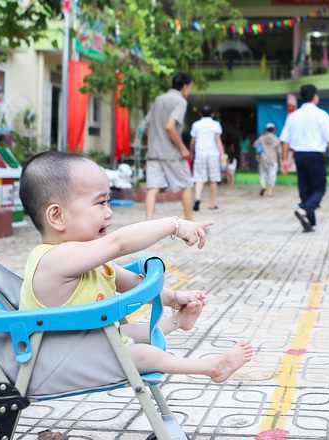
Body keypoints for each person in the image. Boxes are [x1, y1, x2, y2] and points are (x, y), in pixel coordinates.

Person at [18, 151, 253, 382]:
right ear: (57, 216)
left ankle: (178, 321)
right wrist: (174, 225)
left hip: (85, 348)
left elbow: (131, 284)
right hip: (59, 364)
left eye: (108, 201)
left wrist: (174, 298)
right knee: (143, 353)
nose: (109, 212)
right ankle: (212, 367)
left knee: (128, 333)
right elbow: (119, 243)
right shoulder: (53, 260)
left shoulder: (88, 259)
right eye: (100, 203)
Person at [280, 84, 329, 232]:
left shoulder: (293, 116)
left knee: (305, 189)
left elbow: (285, 140)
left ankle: (309, 222)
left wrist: (285, 160)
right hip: (314, 155)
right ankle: (303, 210)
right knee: (319, 188)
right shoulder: (321, 115)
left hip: (299, 156)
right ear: (315, 96)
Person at [144, 72, 194, 221]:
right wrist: (183, 148)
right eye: (189, 87)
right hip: (172, 154)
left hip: (154, 153)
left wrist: (151, 144)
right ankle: (190, 224)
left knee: (153, 188)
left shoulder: (159, 99)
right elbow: (170, 126)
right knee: (186, 186)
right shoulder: (180, 101)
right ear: (185, 86)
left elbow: (147, 125)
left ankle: (148, 224)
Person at [189, 105, 225, 211]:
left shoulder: (196, 125)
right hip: (213, 154)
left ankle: (198, 197)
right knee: (213, 179)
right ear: (212, 114)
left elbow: (192, 142)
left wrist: (191, 152)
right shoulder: (216, 125)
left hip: (200, 154)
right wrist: (222, 154)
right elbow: (218, 140)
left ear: (201, 114)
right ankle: (211, 203)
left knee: (199, 178)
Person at [254, 122, 282, 197]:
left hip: (263, 159)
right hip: (273, 160)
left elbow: (255, 145)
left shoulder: (262, 138)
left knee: (263, 175)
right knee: (272, 175)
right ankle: (270, 192)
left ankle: (263, 186)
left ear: (266, 130)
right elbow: (279, 152)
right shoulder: (276, 140)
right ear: (274, 130)